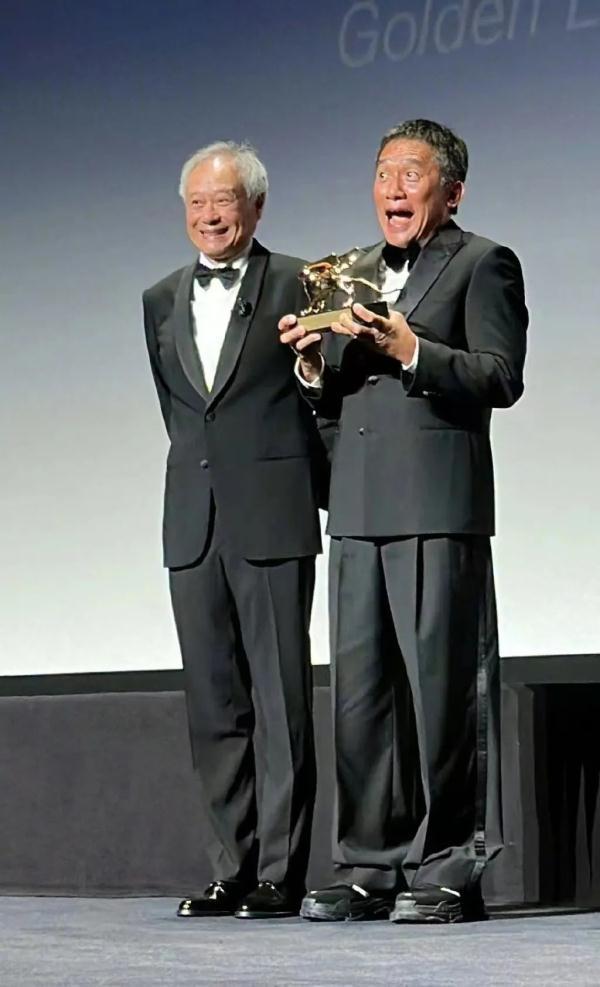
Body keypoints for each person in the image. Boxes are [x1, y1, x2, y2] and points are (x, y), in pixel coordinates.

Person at [280, 119, 528, 924]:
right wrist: (311, 366)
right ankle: (369, 864)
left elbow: (500, 375)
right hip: (355, 509)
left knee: (445, 695)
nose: (393, 187)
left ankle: (450, 866)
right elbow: (337, 395)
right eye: (384, 172)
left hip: (436, 508)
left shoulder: (484, 262)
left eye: (411, 174)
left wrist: (413, 349)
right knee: (360, 701)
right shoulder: (347, 272)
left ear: (451, 192)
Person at [143, 141, 323, 919]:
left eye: (223, 201)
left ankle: (280, 870)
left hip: (272, 511)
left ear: (256, 206)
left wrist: (312, 372)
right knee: (214, 702)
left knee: (280, 699)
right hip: (193, 518)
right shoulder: (158, 297)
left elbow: (325, 394)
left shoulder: (298, 282)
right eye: (197, 203)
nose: (210, 216)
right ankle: (231, 866)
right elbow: (180, 411)